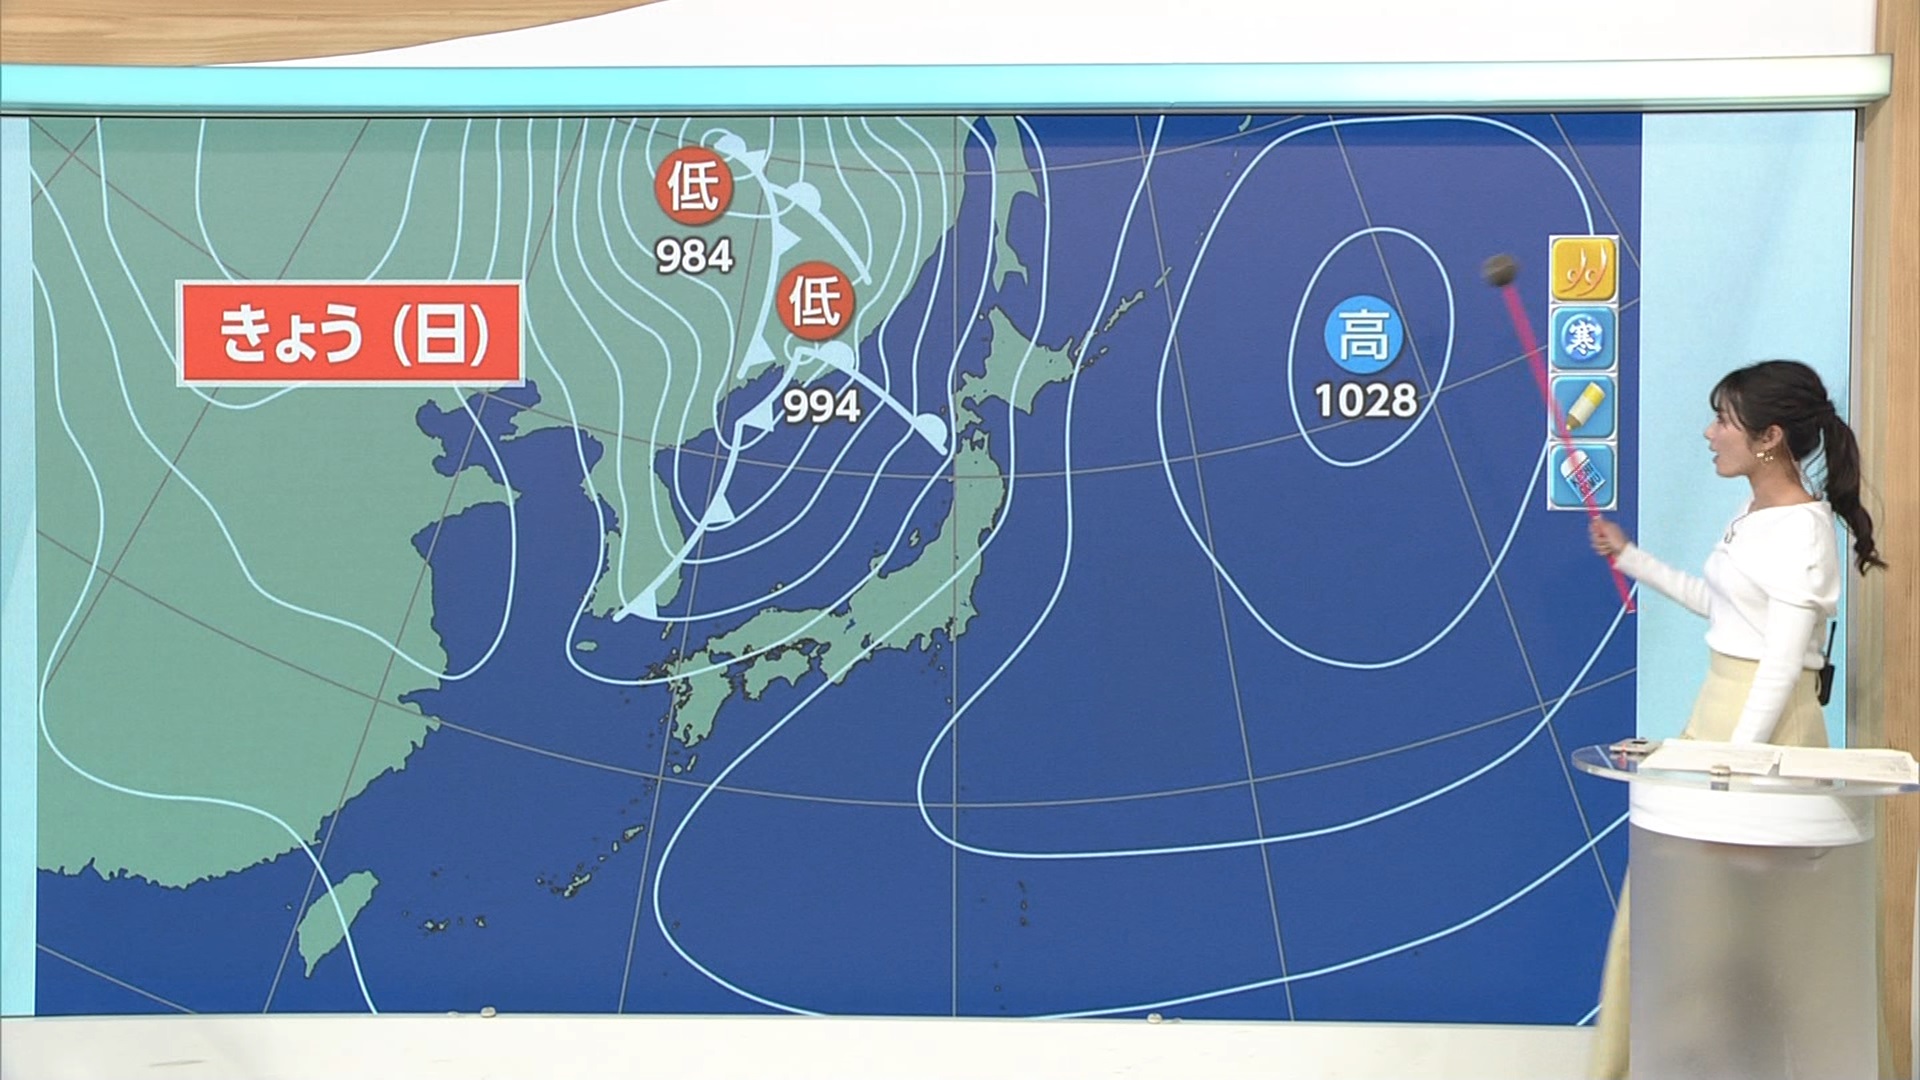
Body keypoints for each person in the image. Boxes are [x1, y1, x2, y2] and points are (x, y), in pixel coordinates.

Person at [1583, 359, 1884, 1080]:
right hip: (1718, 723)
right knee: (1674, 917)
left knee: (1768, 934)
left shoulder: (1802, 530)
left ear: (1770, 437)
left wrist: (1736, 767)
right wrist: (1631, 559)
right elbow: (1722, 610)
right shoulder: (1753, 516)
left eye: (1724, 420)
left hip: (1764, 737)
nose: (1709, 433)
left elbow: (1780, 663)